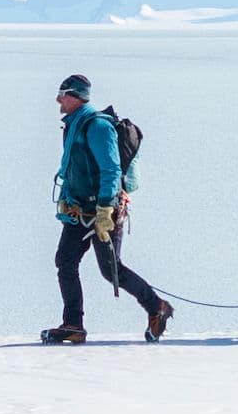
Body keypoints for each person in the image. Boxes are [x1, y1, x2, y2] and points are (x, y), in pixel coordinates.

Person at [41, 73, 174, 344]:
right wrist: (67, 198)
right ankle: (73, 325)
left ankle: (157, 307)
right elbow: (73, 168)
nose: (58, 100)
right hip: (78, 212)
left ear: (75, 97)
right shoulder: (74, 125)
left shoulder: (97, 127)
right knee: (65, 262)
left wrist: (105, 211)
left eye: (62, 94)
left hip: (103, 212)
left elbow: (111, 169)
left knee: (112, 270)